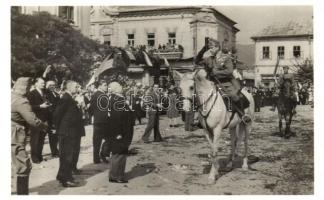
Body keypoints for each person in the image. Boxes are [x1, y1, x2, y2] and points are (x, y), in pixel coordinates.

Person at [198, 38, 251, 123]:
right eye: (209, 48)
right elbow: (197, 61)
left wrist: (216, 72)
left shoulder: (226, 58)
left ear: (217, 47)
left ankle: (242, 114)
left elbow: (229, 71)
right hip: (212, 83)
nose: (210, 50)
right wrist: (203, 50)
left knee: (234, 95)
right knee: (201, 95)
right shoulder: (209, 59)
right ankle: (201, 118)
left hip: (225, 83)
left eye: (212, 47)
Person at [11, 77, 48, 195]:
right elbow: (32, 120)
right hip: (15, 133)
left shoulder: (10, 97)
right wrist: (45, 126)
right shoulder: (21, 101)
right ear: (26, 88)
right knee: (23, 166)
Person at [53, 80, 85, 187]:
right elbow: (57, 115)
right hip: (67, 132)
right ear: (70, 87)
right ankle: (66, 179)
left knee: (67, 156)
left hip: (71, 132)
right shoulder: (66, 98)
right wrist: (59, 129)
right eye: (76, 87)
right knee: (67, 156)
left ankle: (62, 175)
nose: (78, 89)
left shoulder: (70, 98)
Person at [107, 82, 135, 183]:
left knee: (121, 153)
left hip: (124, 130)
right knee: (118, 153)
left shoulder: (119, 98)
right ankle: (116, 176)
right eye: (119, 86)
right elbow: (115, 118)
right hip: (120, 132)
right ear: (115, 89)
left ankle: (117, 174)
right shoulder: (116, 99)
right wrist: (117, 133)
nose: (122, 87)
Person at [27, 77, 51, 163]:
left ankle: (39, 156)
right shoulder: (31, 93)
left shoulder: (44, 93)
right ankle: (34, 158)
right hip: (35, 120)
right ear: (36, 83)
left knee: (41, 139)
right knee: (35, 140)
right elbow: (29, 107)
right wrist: (40, 106)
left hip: (44, 120)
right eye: (42, 83)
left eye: (44, 83)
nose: (43, 84)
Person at [89, 80, 110, 164]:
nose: (106, 86)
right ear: (100, 86)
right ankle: (103, 154)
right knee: (109, 138)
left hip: (98, 121)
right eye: (105, 85)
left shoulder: (94, 95)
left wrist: (95, 115)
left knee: (97, 140)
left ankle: (96, 158)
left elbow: (90, 109)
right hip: (103, 121)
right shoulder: (101, 95)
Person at [44, 80, 60, 157]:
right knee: (52, 135)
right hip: (51, 117)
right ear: (47, 86)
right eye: (50, 85)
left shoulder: (57, 94)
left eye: (53, 85)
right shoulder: (47, 93)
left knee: (57, 135)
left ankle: (57, 150)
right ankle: (54, 152)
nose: (52, 86)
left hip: (57, 116)